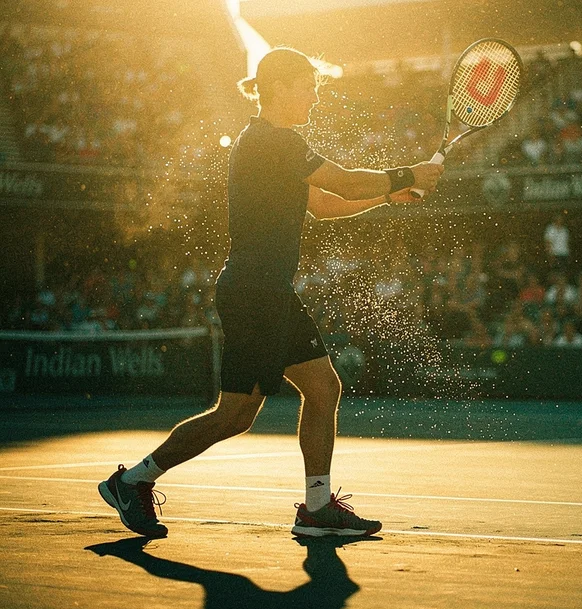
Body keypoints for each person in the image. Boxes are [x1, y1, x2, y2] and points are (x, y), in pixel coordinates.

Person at [97, 47, 444, 539]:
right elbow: (343, 183)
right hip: (255, 293)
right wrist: (408, 174)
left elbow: (323, 205)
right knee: (235, 416)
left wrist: (387, 194)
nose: (315, 95)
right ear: (277, 86)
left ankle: (317, 509)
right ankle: (132, 481)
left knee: (323, 388)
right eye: (308, 85)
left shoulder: (273, 146)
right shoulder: (271, 142)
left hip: (269, 293)